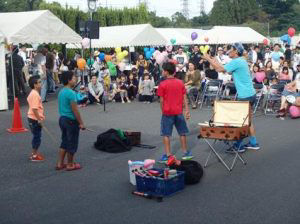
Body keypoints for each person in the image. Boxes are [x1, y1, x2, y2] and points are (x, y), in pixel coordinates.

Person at [202, 42, 260, 151]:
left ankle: (238, 145)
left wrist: (208, 59)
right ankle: (253, 142)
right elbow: (222, 68)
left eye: (230, 49)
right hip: (250, 94)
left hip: (245, 96)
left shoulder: (237, 61)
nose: (228, 51)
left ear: (236, 51)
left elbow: (219, 69)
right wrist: (212, 58)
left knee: (239, 121)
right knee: (247, 121)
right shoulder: (240, 61)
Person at [157, 62, 193, 163]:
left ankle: (168, 155)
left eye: (163, 70)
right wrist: (187, 110)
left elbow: (161, 100)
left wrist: (163, 111)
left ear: (166, 72)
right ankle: (185, 152)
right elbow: (184, 97)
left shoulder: (162, 84)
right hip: (179, 112)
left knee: (166, 134)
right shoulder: (180, 82)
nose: (162, 72)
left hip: (167, 113)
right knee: (182, 133)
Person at [56, 71, 85, 171]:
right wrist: (81, 123)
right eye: (73, 77)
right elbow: (75, 110)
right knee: (72, 142)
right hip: (71, 121)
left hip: (62, 119)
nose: (75, 79)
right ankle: (70, 164)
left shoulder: (61, 91)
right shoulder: (71, 93)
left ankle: (60, 163)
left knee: (64, 141)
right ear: (69, 80)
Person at [27, 76, 45, 162]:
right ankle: (34, 155)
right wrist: (39, 119)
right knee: (37, 137)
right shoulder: (35, 94)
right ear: (35, 85)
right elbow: (34, 108)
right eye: (39, 82)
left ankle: (34, 153)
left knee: (36, 136)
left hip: (32, 118)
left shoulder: (33, 93)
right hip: (34, 119)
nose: (41, 84)